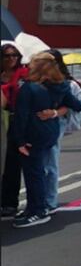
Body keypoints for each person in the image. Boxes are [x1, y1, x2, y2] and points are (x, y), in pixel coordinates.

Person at [12, 52, 81, 228]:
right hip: (50, 134)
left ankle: (38, 210)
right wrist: (54, 112)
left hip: (32, 135)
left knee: (33, 174)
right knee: (40, 171)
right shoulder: (60, 86)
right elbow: (79, 105)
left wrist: (19, 141)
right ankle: (35, 207)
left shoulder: (29, 88)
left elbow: (21, 117)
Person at [1, 45, 28, 219]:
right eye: (7, 55)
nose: (12, 58)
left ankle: (10, 203)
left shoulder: (24, 74)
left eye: (15, 55)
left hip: (17, 120)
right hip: (2, 120)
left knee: (12, 164)